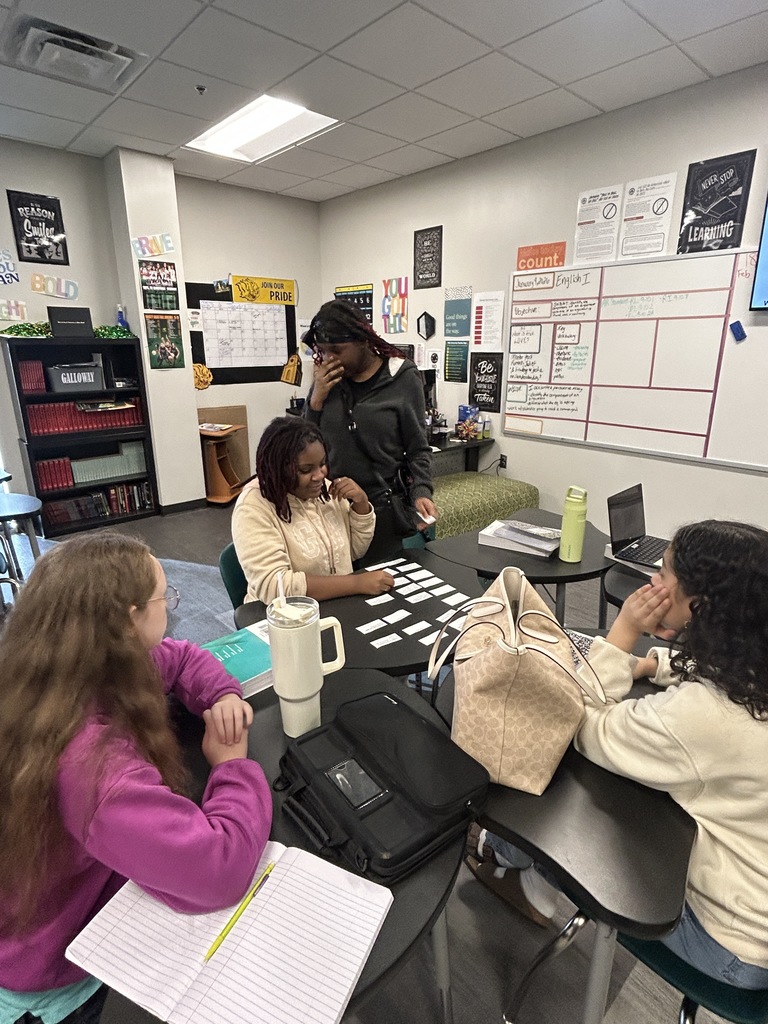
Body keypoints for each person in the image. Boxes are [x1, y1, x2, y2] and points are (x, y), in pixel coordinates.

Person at [468, 520, 768, 989]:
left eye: (665, 575)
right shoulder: (752, 667)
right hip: (756, 906)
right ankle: (517, 868)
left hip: (730, 943)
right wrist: (659, 663)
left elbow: (583, 723)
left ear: (701, 608)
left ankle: (522, 873)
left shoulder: (703, 717)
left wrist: (625, 632)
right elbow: (711, 676)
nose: (652, 582)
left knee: (579, 785)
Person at [0, 532, 272, 1023]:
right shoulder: (94, 771)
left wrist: (222, 694)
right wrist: (232, 765)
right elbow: (219, 869)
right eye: (164, 598)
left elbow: (182, 656)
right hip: (56, 974)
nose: (170, 606)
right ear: (129, 619)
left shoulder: (55, 672)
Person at [302, 299, 438, 561]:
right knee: (339, 588)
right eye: (323, 351)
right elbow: (304, 444)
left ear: (363, 340)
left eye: (337, 350)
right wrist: (316, 399)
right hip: (330, 506)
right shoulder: (327, 378)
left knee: (382, 589)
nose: (329, 358)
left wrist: (422, 490)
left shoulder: (401, 377)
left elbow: (418, 447)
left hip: (381, 509)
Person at [232, 416, 394, 605]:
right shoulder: (253, 506)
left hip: (336, 604)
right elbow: (275, 588)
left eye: (322, 464)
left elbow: (352, 552)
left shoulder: (324, 490)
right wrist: (356, 583)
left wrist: (361, 504)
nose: (319, 476)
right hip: (285, 618)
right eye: (305, 470)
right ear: (279, 468)